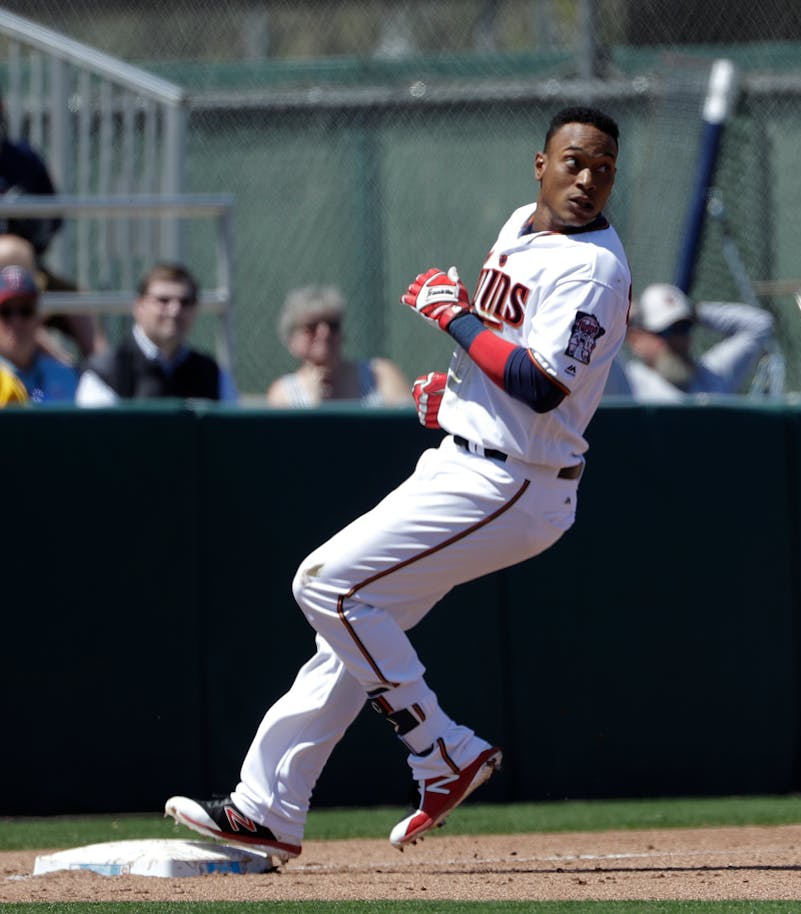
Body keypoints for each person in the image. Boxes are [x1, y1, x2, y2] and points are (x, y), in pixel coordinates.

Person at [164, 105, 631, 862]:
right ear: (539, 164)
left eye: (604, 168)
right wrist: (454, 401)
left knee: (325, 586)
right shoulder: (521, 224)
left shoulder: (597, 270)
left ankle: (439, 747)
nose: (588, 179)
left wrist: (450, 318)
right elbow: (506, 354)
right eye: (574, 161)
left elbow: (542, 385)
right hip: (472, 458)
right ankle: (266, 807)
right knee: (349, 633)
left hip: (515, 484)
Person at [0, 95, 100, 362]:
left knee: (76, 300)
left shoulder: (20, 157)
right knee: (13, 254)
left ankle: (104, 381)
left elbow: (53, 216)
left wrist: (30, 218)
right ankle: (61, 364)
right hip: (9, 270)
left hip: (29, 271)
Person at [75, 263, 238, 406]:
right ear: (139, 307)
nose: (175, 310)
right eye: (163, 300)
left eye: (185, 302)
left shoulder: (213, 375)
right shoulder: (105, 374)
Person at [620, 282, 773, 401]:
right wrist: (618, 318)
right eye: (665, 331)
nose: (678, 340)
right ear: (636, 340)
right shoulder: (627, 382)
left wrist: (695, 312)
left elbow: (760, 324)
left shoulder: (711, 375)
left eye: (683, 327)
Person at [267, 284, 409, 407]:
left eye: (332, 325)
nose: (324, 333)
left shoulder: (379, 374)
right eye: (311, 326)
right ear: (292, 338)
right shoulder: (284, 393)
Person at [0, 263, 76, 403]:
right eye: (5, 312)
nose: (16, 322)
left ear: (38, 317)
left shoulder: (65, 375)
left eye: (25, 311)